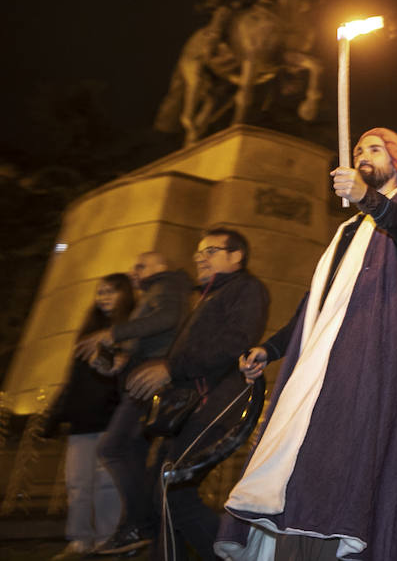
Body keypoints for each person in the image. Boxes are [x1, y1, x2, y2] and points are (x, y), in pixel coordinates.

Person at [216, 128, 397, 561]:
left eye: (374, 149)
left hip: (361, 370)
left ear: (396, 161)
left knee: (331, 466)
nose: (362, 154)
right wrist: (270, 348)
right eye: (358, 149)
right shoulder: (348, 230)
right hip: (317, 371)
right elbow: (316, 306)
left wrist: (370, 199)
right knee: (296, 467)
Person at [101, 229, 269, 560]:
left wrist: (171, 369)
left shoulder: (247, 289)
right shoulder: (209, 294)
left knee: (173, 489)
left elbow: (235, 342)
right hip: (194, 406)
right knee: (160, 490)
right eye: (198, 253)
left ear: (236, 256)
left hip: (218, 403)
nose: (199, 258)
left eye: (210, 251)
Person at [82, 251, 193, 556]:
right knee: (131, 453)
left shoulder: (167, 285)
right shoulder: (160, 290)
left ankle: (139, 523)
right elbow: (157, 331)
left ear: (161, 265)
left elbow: (166, 319)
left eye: (141, 265)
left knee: (112, 448)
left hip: (148, 382)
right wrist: (120, 360)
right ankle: (140, 527)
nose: (134, 272)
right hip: (144, 378)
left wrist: (113, 333)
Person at [46, 273, 136, 559]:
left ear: (125, 295)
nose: (104, 297)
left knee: (107, 483)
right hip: (82, 420)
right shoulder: (88, 332)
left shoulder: (129, 331)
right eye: (101, 292)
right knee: (77, 483)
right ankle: (79, 540)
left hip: (111, 419)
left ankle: (107, 539)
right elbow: (72, 379)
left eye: (111, 292)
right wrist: (55, 413)